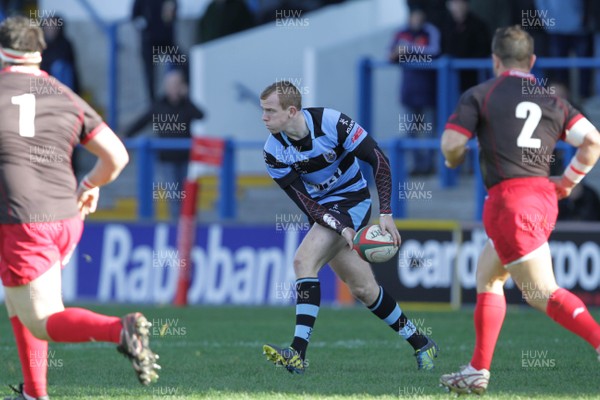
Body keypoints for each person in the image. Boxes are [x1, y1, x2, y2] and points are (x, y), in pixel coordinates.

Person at [0, 16, 160, 400]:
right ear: (40, 52)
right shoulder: (64, 94)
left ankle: (119, 330)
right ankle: (34, 392)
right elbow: (117, 156)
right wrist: (89, 185)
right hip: (66, 215)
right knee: (19, 301)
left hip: (23, 220)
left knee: (41, 319)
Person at [439, 25, 600, 395]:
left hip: (509, 203)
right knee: (489, 275)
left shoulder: (481, 94)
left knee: (541, 292)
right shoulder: (551, 99)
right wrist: (569, 182)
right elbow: (592, 141)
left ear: (494, 60)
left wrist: (453, 158)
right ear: (532, 61)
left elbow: (451, 144)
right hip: (541, 198)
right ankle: (477, 369)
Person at [259, 81, 438, 374]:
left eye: (269, 111)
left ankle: (297, 353)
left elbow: (378, 159)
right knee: (364, 289)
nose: (263, 118)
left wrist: (387, 213)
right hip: (324, 212)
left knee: (303, 261)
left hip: (353, 199)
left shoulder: (331, 122)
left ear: (291, 111)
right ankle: (421, 343)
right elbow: (307, 205)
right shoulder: (273, 152)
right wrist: (340, 228)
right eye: (263, 111)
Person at [124, 68, 204, 220]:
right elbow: (141, 121)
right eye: (171, 84)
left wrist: (186, 99)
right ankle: (176, 225)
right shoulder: (159, 105)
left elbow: (200, 115)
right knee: (173, 192)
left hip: (184, 156)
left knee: (184, 191)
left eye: (177, 84)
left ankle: (186, 222)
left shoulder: (185, 105)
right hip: (166, 157)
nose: (174, 88)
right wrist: (125, 135)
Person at [389, 8, 440, 175]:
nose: (416, 19)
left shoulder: (430, 30)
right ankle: (417, 165)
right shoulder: (401, 32)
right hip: (409, 91)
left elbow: (434, 51)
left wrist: (409, 49)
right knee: (410, 130)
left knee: (429, 130)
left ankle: (429, 165)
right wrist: (399, 52)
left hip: (428, 91)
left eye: (419, 16)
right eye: (414, 16)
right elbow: (390, 56)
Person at [132, 0, 177, 100]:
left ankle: (179, 97)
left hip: (167, 41)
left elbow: (174, 11)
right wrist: (145, 25)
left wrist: (172, 11)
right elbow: (134, 15)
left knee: (181, 63)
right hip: (149, 42)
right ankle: (153, 104)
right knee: (150, 75)